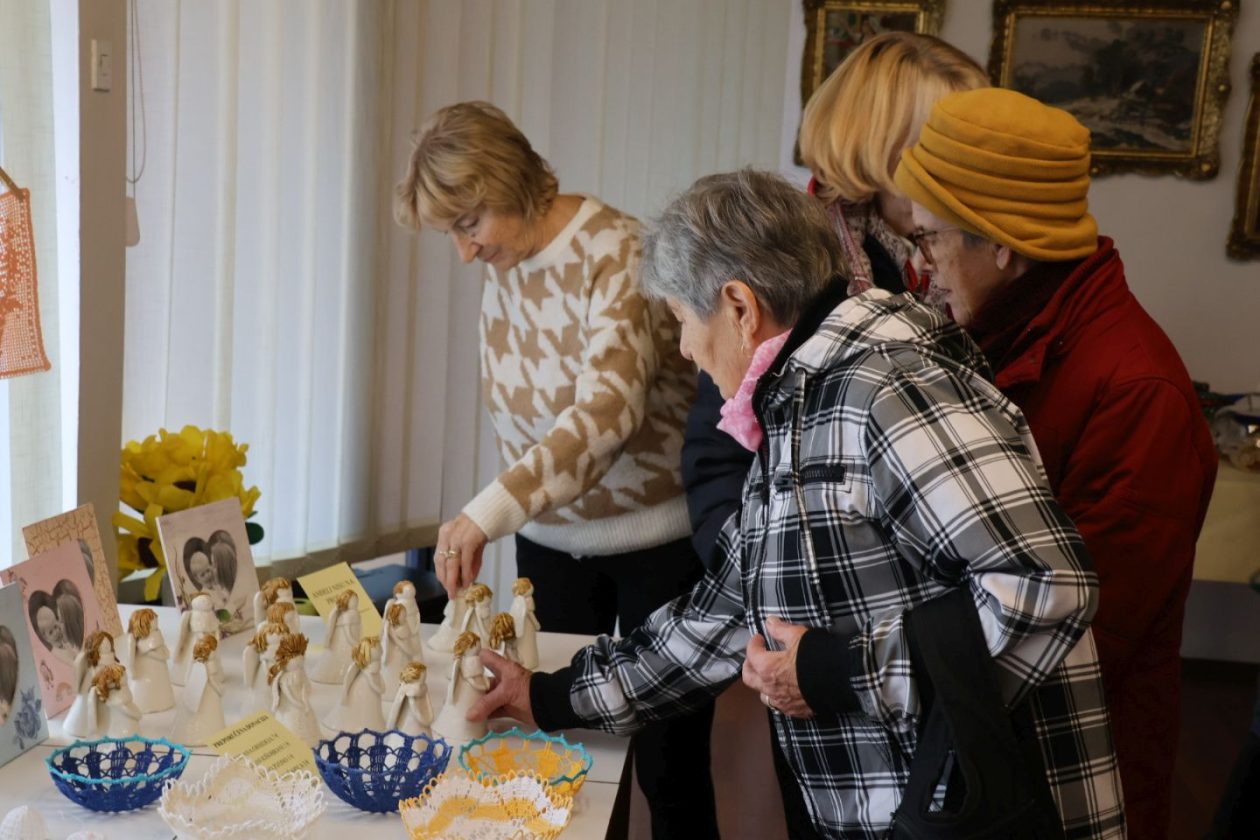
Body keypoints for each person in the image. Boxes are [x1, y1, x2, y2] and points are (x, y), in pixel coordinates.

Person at [468, 169, 1125, 839]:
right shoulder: (800, 402)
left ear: (739, 307)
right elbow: (718, 617)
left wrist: (839, 672)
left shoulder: (885, 390)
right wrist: (545, 696)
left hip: (979, 811)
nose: (687, 351)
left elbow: (1047, 585)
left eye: (683, 322)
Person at [884, 86, 1216, 839]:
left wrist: (863, 669)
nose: (920, 268)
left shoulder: (1137, 395)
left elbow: (1074, 637)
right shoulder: (1004, 330)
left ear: (1002, 245)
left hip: (1069, 782)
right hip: (991, 751)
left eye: (930, 240)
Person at [680, 34, 988, 832]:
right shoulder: (792, 249)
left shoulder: (957, 247)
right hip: (815, 619)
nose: (968, 155)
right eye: (946, 135)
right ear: (881, 143)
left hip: (928, 627)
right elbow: (714, 452)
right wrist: (768, 583)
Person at [394, 100, 718, 837]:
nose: (464, 252)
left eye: (468, 224)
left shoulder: (617, 249)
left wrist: (487, 510)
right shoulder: (507, 254)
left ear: (508, 183)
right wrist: (509, 513)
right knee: (553, 755)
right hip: (550, 546)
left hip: (656, 546)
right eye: (452, 232)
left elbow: (606, 415)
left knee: (668, 765)